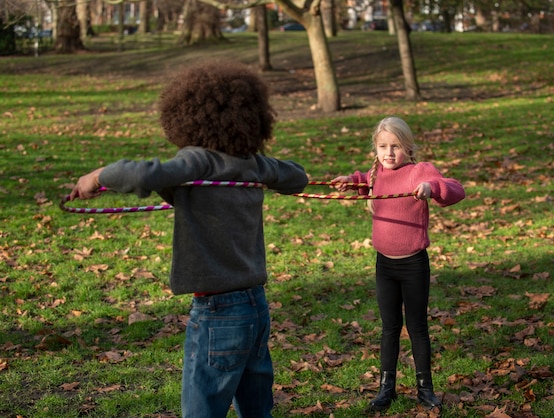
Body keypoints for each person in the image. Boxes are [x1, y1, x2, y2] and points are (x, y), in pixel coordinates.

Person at [69, 60, 309, 418]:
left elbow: (143, 174)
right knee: (257, 409)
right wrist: (267, 171)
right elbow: (298, 177)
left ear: (187, 117)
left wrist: (97, 175)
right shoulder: (254, 164)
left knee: (202, 410)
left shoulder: (199, 161)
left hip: (217, 311)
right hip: (255, 306)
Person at [331, 116, 465, 412]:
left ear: (408, 147)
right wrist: (349, 182)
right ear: (375, 149)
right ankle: (386, 388)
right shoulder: (376, 173)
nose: (389, 153)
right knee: (389, 327)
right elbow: (364, 182)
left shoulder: (419, 172)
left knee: (417, 327)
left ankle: (425, 389)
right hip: (385, 266)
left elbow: (455, 189)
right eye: (382, 146)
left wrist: (431, 188)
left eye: (395, 146)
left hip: (414, 264)